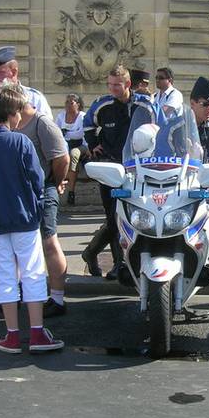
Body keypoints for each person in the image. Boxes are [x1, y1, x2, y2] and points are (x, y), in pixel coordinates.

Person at [0, 86, 63, 354]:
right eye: (20, 112)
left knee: (3, 275)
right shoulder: (22, 143)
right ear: (12, 114)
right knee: (32, 272)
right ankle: (38, 333)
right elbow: (37, 180)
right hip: (24, 218)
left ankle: (12, 335)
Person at [81, 65, 151, 279]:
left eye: (117, 85)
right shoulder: (101, 104)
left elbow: (159, 127)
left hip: (137, 168)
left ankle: (92, 252)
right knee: (114, 217)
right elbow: (87, 125)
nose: (113, 89)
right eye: (110, 85)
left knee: (135, 216)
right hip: (110, 167)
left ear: (128, 84)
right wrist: (93, 145)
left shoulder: (145, 104)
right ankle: (119, 264)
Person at [15, 89, 71, 319]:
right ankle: (18, 295)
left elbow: (62, 158)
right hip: (19, 190)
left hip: (43, 188)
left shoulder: (42, 124)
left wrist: (55, 183)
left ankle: (57, 299)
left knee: (49, 241)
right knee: (20, 246)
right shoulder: (14, 121)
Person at [56, 93, 87, 206]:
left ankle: (71, 191)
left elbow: (80, 134)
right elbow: (56, 132)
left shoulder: (82, 116)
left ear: (78, 104)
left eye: (71, 102)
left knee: (73, 154)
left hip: (80, 145)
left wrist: (66, 133)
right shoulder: (60, 116)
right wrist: (64, 135)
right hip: (64, 145)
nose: (68, 105)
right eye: (67, 102)